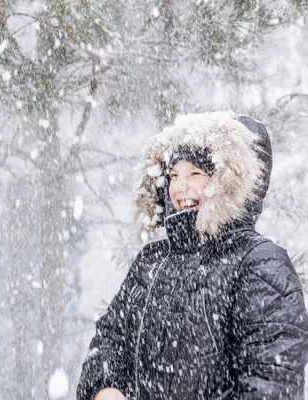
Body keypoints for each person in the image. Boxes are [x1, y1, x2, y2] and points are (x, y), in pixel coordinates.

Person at [77, 111, 308, 399]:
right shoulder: (152, 261)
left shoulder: (260, 264)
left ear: (229, 182)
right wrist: (105, 388)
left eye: (195, 173)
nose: (180, 187)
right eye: (173, 175)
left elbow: (272, 382)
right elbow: (110, 340)